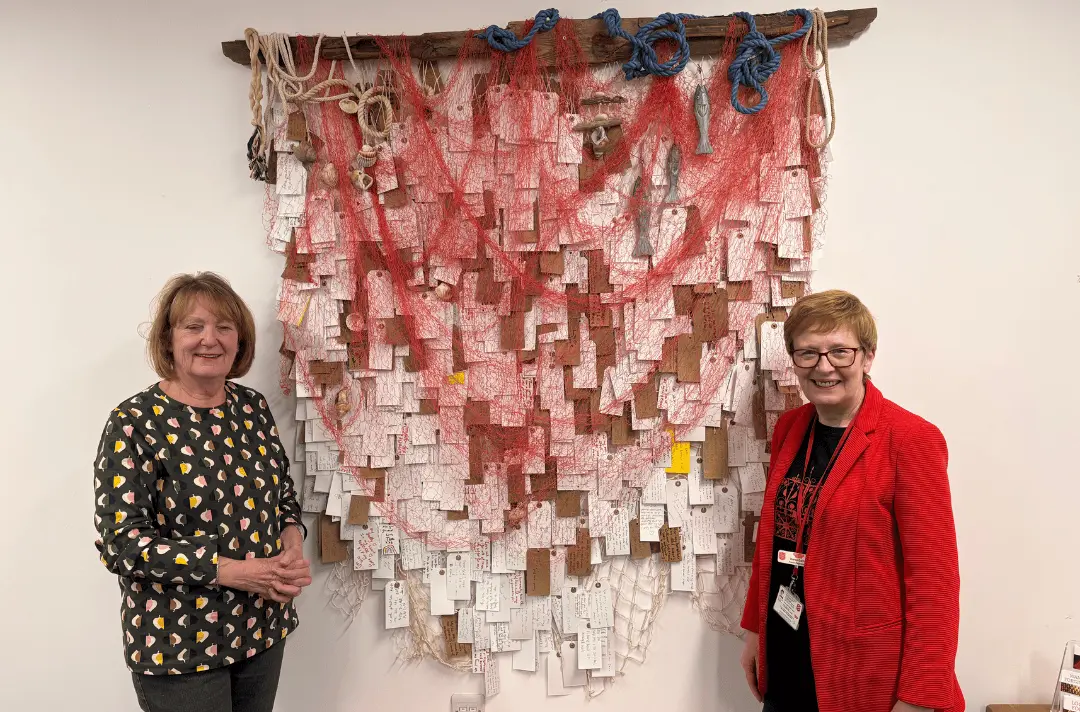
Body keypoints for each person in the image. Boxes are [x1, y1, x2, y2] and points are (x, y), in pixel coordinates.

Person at [93, 272, 312, 712]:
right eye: (194, 326)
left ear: (239, 340)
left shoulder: (251, 408)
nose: (209, 339)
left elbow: (281, 494)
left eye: (224, 327)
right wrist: (230, 571)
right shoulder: (134, 422)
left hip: (262, 627)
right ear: (169, 339)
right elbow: (122, 544)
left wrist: (291, 544)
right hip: (178, 643)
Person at [739, 290, 963, 712]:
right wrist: (755, 629)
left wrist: (918, 697)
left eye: (840, 351)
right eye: (807, 353)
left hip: (865, 671)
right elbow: (776, 542)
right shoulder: (790, 428)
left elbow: (935, 584)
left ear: (868, 357)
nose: (824, 367)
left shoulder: (911, 440)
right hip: (787, 652)